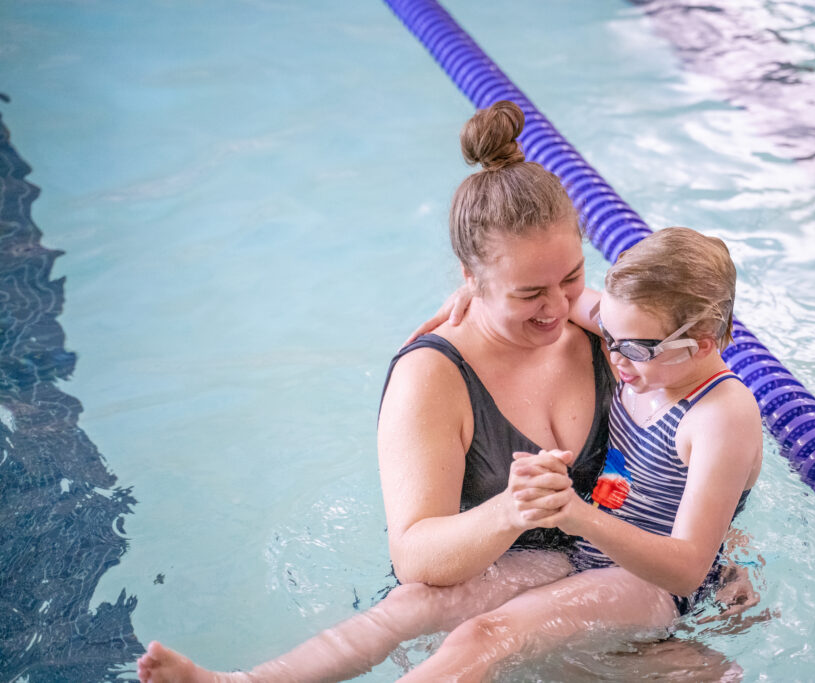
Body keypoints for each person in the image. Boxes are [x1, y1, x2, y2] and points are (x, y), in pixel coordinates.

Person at [137, 100, 619, 683]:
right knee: (414, 610)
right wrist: (511, 511)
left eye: (572, 276)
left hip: (611, 580)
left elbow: (699, 379)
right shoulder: (434, 375)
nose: (556, 307)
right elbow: (415, 557)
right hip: (488, 591)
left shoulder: (612, 338)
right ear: (471, 281)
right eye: (528, 293)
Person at [393, 226, 763, 682]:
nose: (615, 359)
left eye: (633, 348)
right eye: (607, 335)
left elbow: (687, 569)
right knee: (417, 610)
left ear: (701, 344)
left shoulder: (721, 415)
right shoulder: (643, 345)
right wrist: (479, 291)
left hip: (654, 583)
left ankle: (682, 664)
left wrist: (577, 516)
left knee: (486, 639)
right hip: (590, 558)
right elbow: (566, 301)